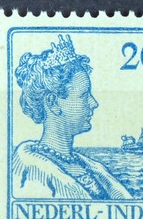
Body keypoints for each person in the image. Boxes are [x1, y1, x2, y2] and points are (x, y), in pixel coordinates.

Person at [11, 34, 133, 200]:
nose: (94, 103)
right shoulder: (29, 173)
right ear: (53, 103)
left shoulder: (90, 167)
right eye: (84, 95)